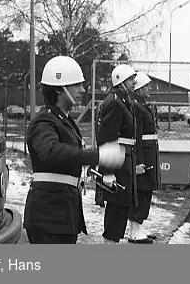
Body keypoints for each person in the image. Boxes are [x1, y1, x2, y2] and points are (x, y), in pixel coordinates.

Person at [23, 56, 125, 244]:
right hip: (48, 216)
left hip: (62, 213)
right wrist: (98, 155)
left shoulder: (64, 120)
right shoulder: (44, 121)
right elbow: (51, 152)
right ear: (59, 89)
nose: (82, 90)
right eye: (76, 85)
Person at [97, 64, 141, 244]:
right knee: (116, 206)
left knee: (122, 205)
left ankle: (112, 242)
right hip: (118, 161)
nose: (134, 82)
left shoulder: (123, 101)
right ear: (121, 81)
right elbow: (107, 138)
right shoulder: (115, 102)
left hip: (125, 159)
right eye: (131, 79)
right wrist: (107, 171)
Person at [126, 72, 161, 244]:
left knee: (146, 190)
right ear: (139, 88)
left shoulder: (142, 104)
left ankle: (139, 227)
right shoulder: (136, 106)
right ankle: (134, 229)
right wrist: (139, 161)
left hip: (149, 152)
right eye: (146, 86)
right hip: (144, 154)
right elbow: (137, 136)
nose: (149, 88)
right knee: (141, 190)